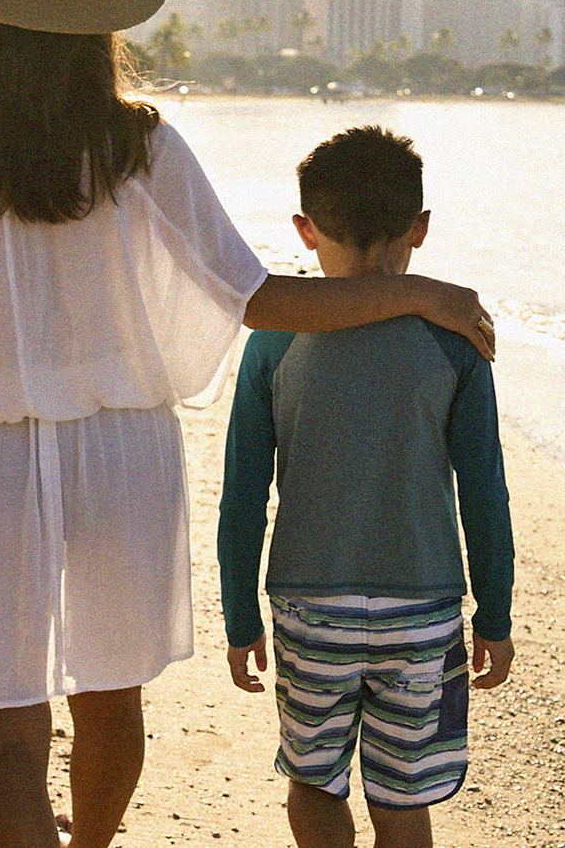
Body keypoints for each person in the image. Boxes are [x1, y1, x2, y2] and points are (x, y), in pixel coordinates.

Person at [0, 0, 496, 848]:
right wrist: (417, 291)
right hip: (115, 457)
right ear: (93, 21)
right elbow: (260, 298)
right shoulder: (137, 143)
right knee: (110, 702)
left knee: (7, 734)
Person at [217, 126, 515, 848]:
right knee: (404, 804)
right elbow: (485, 495)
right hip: (424, 609)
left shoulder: (273, 341)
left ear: (305, 230)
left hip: (309, 605)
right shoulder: (456, 341)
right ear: (419, 228)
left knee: (315, 785)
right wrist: (496, 616)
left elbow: (242, 495)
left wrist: (238, 616)